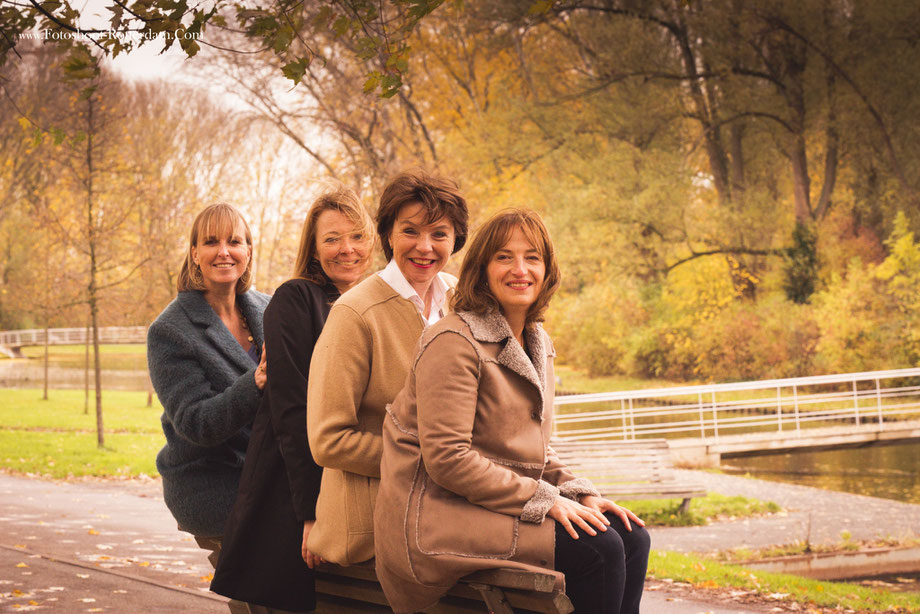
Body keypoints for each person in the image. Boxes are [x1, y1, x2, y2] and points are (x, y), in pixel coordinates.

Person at [374, 209, 651, 614]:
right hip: (436, 515)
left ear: (547, 269)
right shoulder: (453, 341)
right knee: (600, 549)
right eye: (504, 257)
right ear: (482, 269)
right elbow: (448, 460)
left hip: (491, 504)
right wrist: (545, 500)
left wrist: (580, 493)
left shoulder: (537, 342)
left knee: (631, 535)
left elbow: (537, 448)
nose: (520, 269)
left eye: (532, 257)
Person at [210, 186, 374, 613]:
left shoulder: (376, 303)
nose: (346, 249)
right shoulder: (296, 300)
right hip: (293, 484)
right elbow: (291, 410)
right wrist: (312, 511)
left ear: (372, 241)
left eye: (356, 236)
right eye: (332, 239)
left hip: (357, 478)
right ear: (314, 249)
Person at [305, 169, 470, 566]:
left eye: (440, 234)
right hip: (377, 523)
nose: (425, 247)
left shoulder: (463, 300)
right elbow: (328, 438)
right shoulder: (354, 313)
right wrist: (435, 462)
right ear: (389, 236)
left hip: (454, 506)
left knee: (610, 542)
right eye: (410, 231)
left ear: (456, 240)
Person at [147, 203, 269, 612]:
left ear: (249, 250)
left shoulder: (269, 311)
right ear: (194, 253)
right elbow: (196, 423)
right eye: (211, 241)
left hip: (267, 469)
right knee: (283, 542)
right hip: (210, 478)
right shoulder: (171, 330)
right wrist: (254, 382)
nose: (224, 251)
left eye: (235, 241)